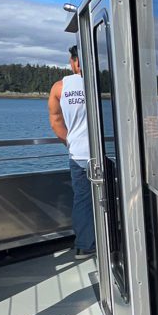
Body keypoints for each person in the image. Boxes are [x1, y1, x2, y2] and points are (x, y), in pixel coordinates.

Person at [48, 45, 95, 259]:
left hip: (78, 154)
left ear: (75, 62)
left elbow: (56, 120)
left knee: (83, 199)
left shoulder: (60, 87)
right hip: (108, 153)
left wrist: (70, 142)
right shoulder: (103, 81)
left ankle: (85, 245)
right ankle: (116, 239)